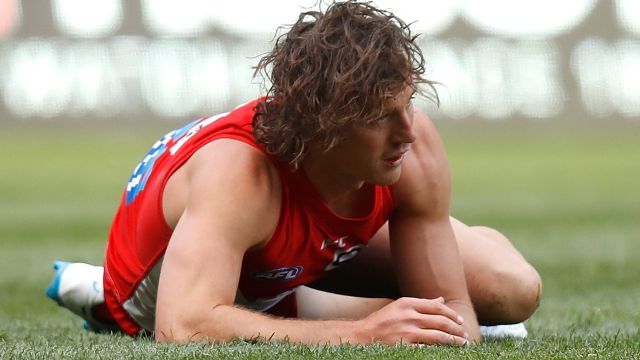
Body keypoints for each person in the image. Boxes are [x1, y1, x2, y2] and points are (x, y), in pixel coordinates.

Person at [47, 0, 541, 346]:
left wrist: (446, 324)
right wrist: (364, 334)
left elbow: (455, 316)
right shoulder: (240, 174)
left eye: (407, 104)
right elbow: (183, 327)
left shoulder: (410, 145)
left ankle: (315, 284)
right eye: (378, 117)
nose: (408, 132)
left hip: (292, 246)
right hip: (187, 287)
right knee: (398, 323)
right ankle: (100, 291)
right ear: (325, 125)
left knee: (510, 289)